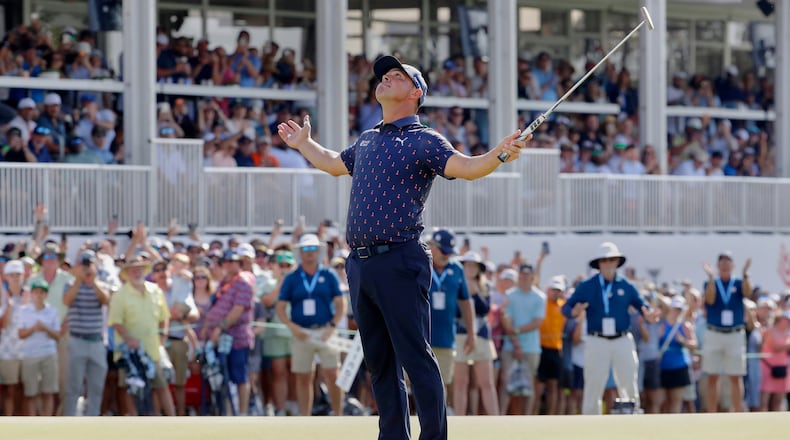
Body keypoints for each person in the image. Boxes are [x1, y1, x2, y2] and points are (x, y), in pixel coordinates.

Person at [276, 54, 526, 440]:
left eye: (396, 76)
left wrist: (501, 153)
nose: (386, 79)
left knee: (415, 359)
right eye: (384, 75)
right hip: (360, 264)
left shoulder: (424, 139)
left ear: (415, 93)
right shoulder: (369, 138)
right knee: (379, 363)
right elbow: (331, 163)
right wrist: (304, 144)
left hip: (400, 258)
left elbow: (469, 167)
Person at [561, 242, 658, 415]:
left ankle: (632, 416)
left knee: (629, 380)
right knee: (593, 383)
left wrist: (647, 313)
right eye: (604, 260)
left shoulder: (626, 285)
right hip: (596, 340)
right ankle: (591, 423)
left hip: (622, 338)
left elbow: (641, 304)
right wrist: (574, 312)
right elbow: (566, 308)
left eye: (612, 260)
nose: (608, 264)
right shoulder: (587, 286)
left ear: (617, 262)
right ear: (598, 263)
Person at [276, 234, 347, 417]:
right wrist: (293, 328)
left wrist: (332, 326)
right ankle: (305, 418)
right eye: (306, 249)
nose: (309, 252)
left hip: (326, 330)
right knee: (303, 376)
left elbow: (341, 304)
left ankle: (338, 415)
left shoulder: (328, 274)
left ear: (319, 250)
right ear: (300, 252)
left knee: (333, 373)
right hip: (301, 332)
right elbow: (281, 308)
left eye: (313, 248)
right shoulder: (292, 277)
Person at [701, 250, 752, 412]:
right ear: (717, 266)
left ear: (732, 265)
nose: (724, 265)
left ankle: (737, 412)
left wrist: (745, 274)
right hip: (714, 332)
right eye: (721, 262)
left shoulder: (738, 283)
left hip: (735, 334)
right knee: (712, 375)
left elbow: (748, 292)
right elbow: (709, 299)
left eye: (727, 262)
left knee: (735, 377)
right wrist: (710, 278)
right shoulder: (711, 283)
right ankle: (711, 413)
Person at [62, 250, 111, 416]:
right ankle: (70, 421)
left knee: (96, 388)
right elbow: (67, 301)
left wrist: (93, 280)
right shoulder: (70, 284)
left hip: (96, 342)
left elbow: (105, 301)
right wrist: (78, 279)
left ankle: (93, 422)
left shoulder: (101, 285)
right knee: (73, 387)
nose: (86, 268)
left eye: (89, 265)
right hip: (77, 340)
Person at [17, 279, 61, 416]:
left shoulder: (53, 311)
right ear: (32, 294)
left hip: (49, 354)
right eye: (36, 292)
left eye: (42, 292)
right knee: (30, 393)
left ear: (46, 295)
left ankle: (46, 424)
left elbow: (57, 336)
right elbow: (21, 334)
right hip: (30, 355)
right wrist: (33, 329)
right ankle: (32, 425)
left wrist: (45, 328)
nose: (39, 295)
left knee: (48, 392)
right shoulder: (23, 311)